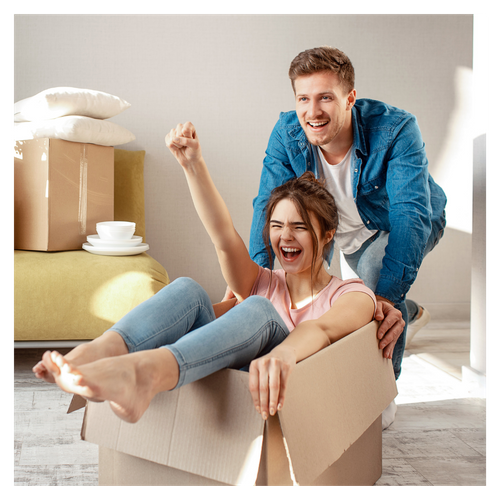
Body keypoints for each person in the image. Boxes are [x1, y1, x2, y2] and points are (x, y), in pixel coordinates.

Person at [33, 122, 377, 424]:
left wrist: (283, 353)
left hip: (274, 397)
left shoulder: (352, 295)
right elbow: (223, 236)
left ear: (328, 234)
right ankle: (99, 352)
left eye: (298, 227)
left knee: (258, 309)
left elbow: (321, 328)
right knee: (188, 290)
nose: (284, 236)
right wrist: (192, 165)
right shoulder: (261, 281)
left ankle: (146, 375)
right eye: (276, 225)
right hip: (213, 373)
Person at [249, 47, 447, 382]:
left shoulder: (396, 129)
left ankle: (380, 391)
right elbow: (268, 205)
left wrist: (383, 300)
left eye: (325, 98)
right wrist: (256, 278)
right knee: (315, 292)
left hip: (396, 223)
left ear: (349, 98)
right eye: (303, 99)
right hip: (334, 230)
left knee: (372, 286)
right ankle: (409, 313)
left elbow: (409, 215)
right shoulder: (288, 133)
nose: (313, 112)